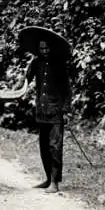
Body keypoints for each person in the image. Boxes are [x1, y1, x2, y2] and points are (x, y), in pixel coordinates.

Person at [21, 40, 72, 193]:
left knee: (55, 147)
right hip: (42, 111)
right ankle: (48, 179)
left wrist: (67, 110)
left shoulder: (59, 64)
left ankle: (55, 182)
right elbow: (26, 80)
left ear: (51, 47)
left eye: (46, 47)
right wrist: (17, 91)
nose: (44, 51)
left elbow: (67, 89)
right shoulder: (35, 63)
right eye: (41, 48)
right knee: (44, 146)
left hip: (56, 112)